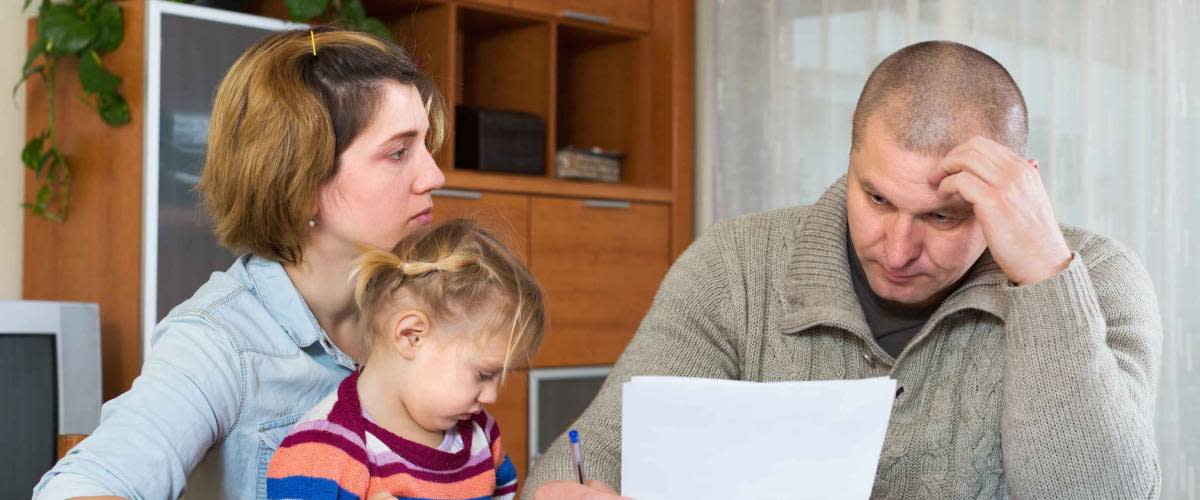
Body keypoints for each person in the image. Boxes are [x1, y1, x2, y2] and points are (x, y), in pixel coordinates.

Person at [526, 41, 1162, 499]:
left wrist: (1046, 278)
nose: (898, 247)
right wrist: (562, 491)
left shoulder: (1098, 280)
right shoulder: (735, 265)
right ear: (852, 153)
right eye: (877, 198)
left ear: (1016, 192)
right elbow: (589, 457)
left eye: (943, 217)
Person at [34, 27, 448, 499]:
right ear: (301, 180)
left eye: (426, 147)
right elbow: (84, 486)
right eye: (398, 152)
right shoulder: (219, 342)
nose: (433, 175)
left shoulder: (431, 303)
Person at [265, 219, 545, 499]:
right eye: (484, 375)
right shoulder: (321, 454)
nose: (492, 395)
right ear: (411, 335)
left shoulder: (482, 437)